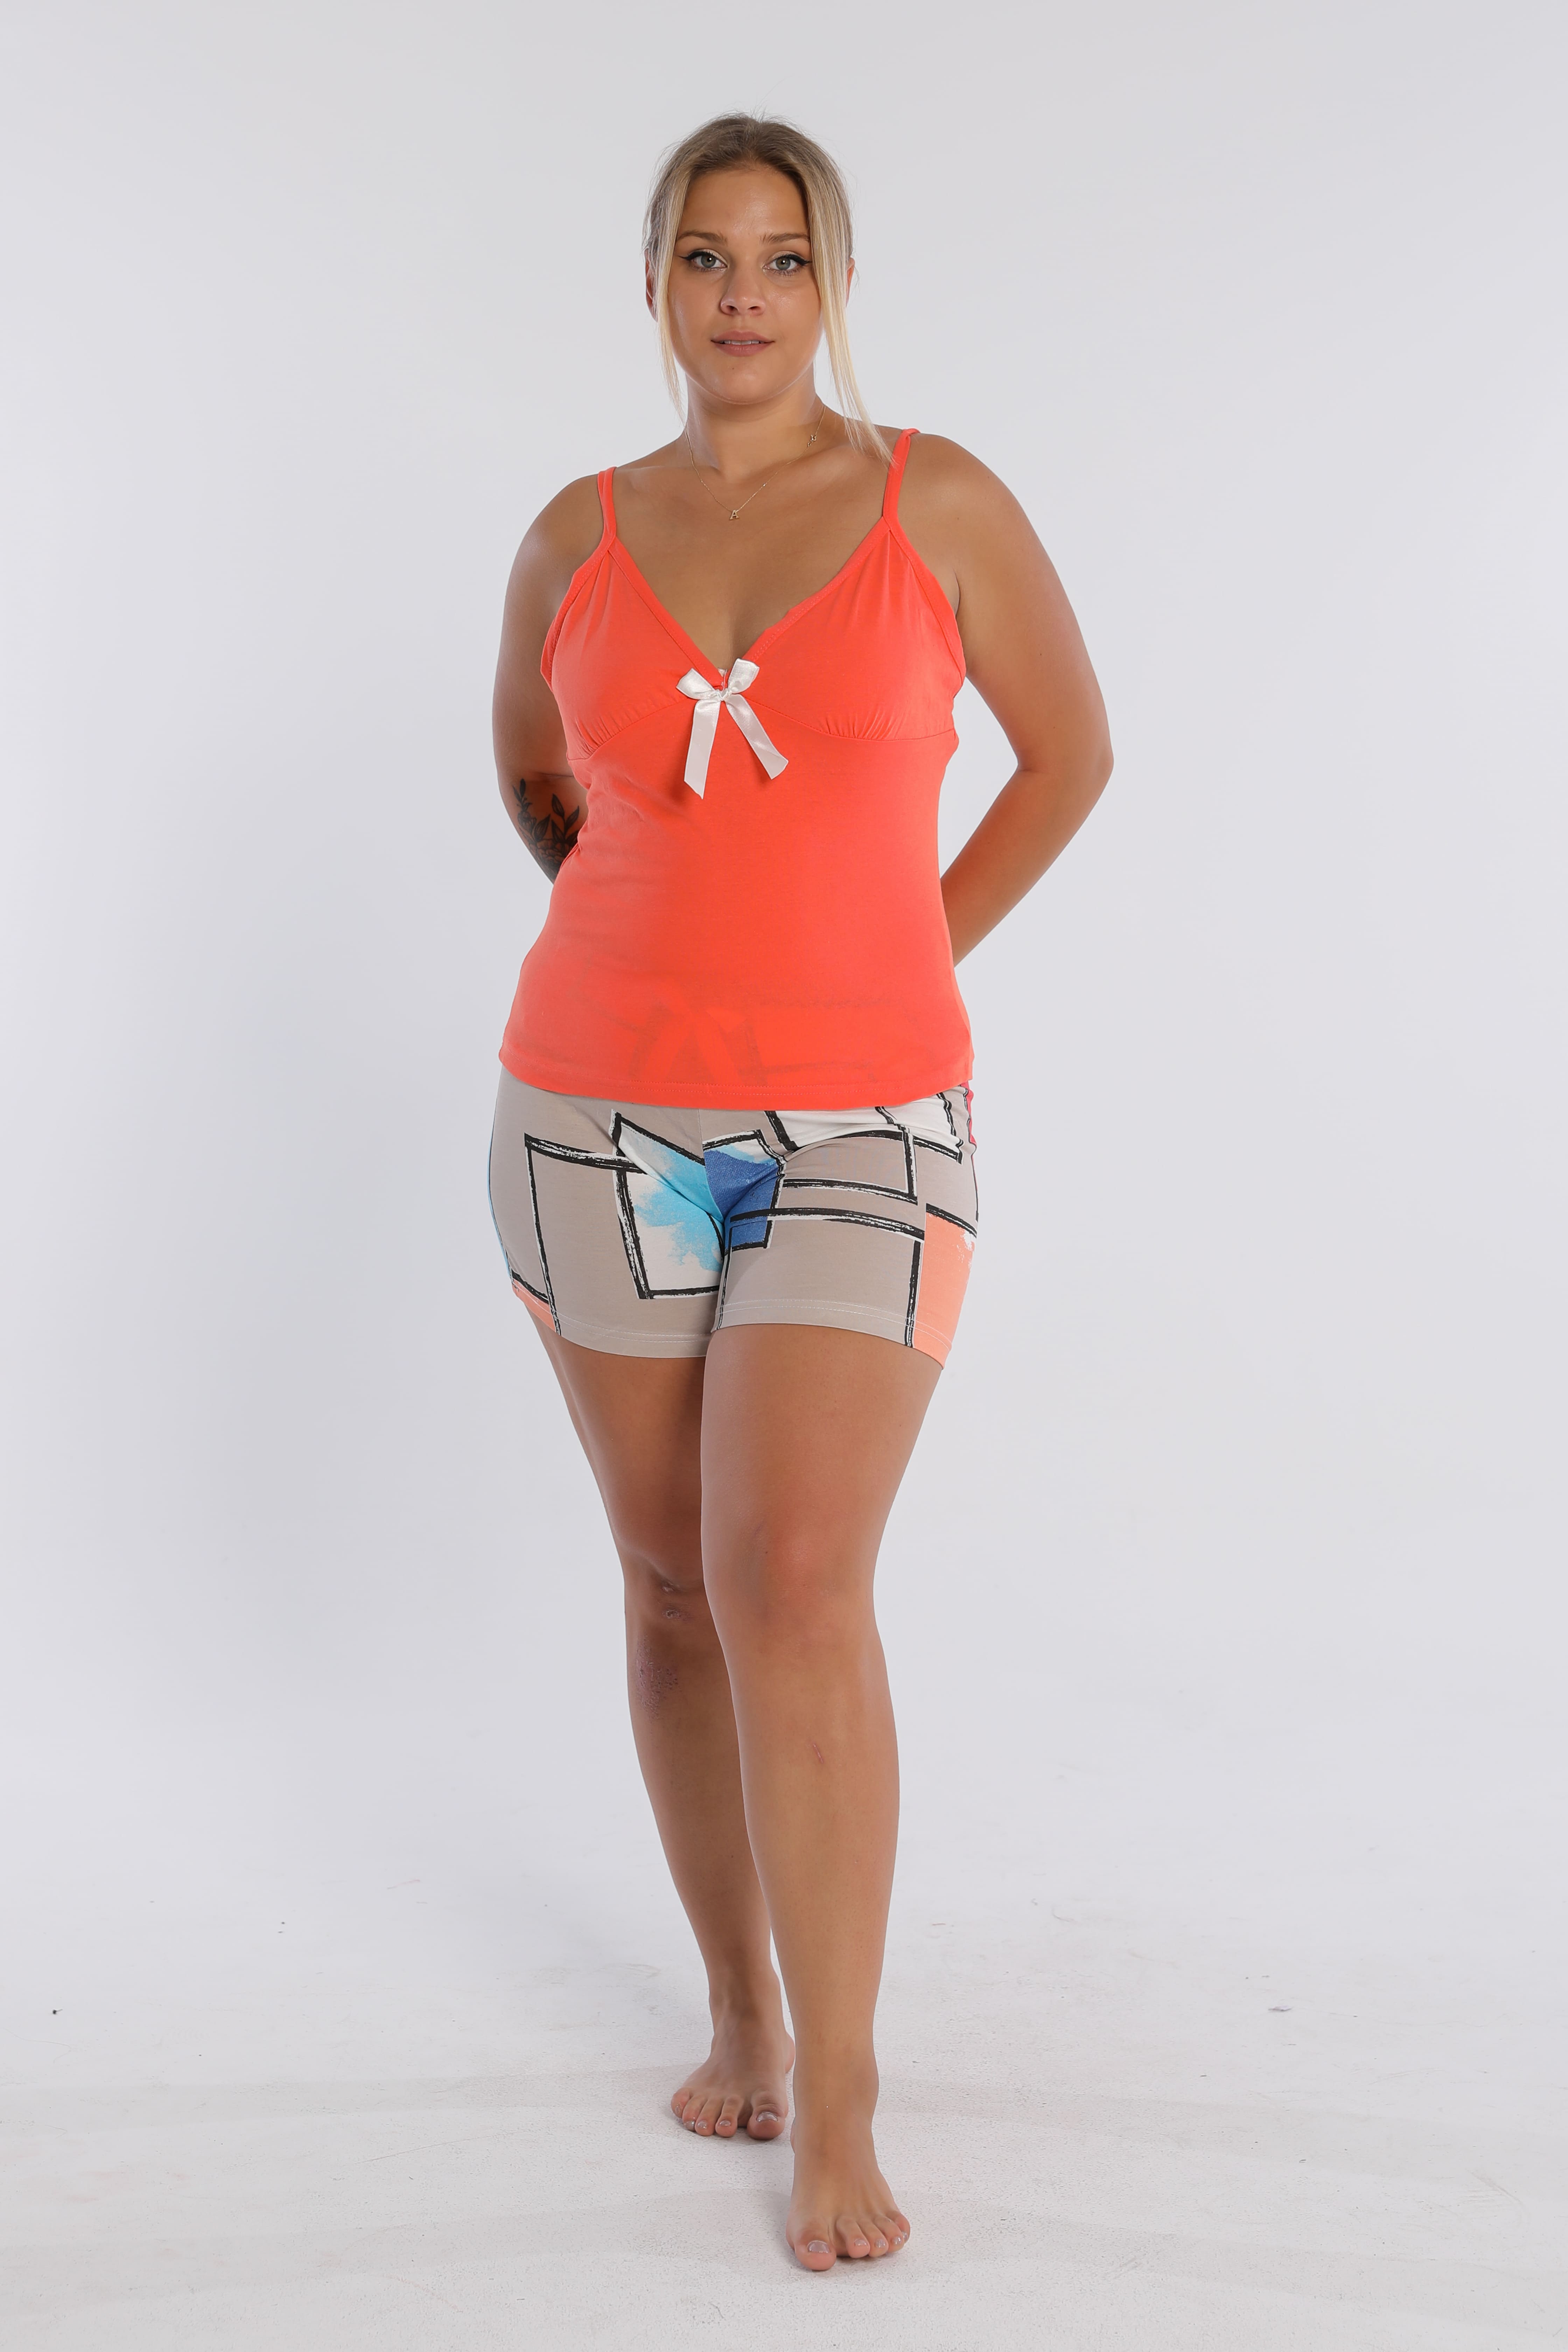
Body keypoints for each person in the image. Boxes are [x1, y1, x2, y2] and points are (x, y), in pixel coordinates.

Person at [486, 112, 1112, 2273]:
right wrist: (659, 946)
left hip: (871, 1130)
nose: (741, 296)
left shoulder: (938, 502)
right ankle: (738, 2009)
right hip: (590, 1121)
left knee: (799, 1571)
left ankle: (839, 2092)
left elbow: (1072, 755)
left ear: (833, 283)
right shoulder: (573, 533)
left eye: (780, 257)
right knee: (675, 1581)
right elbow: (535, 772)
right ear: (656, 282)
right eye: (703, 256)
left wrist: (892, 955)